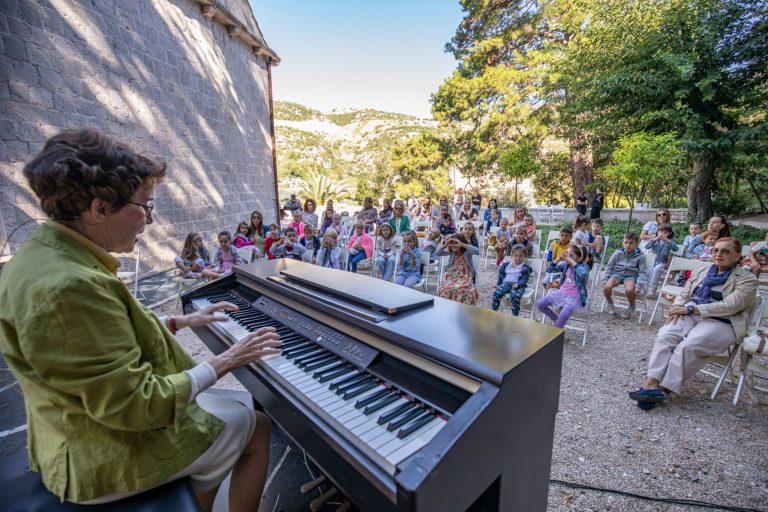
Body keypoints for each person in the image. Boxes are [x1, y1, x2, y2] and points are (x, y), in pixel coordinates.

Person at [0, 129, 281, 510]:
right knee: (256, 427)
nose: (149, 220)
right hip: (97, 453)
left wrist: (181, 322)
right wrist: (224, 360)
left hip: (76, 423)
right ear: (99, 209)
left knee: (223, 410)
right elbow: (139, 405)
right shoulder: (68, 286)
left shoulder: (43, 254)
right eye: (146, 206)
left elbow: (98, 341)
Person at [628, 238, 758, 409]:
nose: (718, 254)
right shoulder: (702, 270)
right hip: (690, 311)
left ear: (737, 256)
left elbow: (731, 306)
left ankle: (663, 389)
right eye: (715, 250)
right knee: (666, 334)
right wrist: (677, 306)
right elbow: (685, 293)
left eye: (725, 251)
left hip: (724, 321)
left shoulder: (747, 279)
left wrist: (691, 310)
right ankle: (650, 384)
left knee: (689, 345)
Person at [537, 244, 590, 328]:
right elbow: (549, 269)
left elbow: (583, 274)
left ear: (579, 258)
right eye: (567, 254)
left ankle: (557, 330)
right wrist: (558, 259)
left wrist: (571, 261)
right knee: (540, 304)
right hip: (561, 293)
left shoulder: (584, 266)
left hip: (574, 297)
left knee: (564, 314)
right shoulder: (565, 265)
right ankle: (556, 320)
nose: (567, 257)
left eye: (571, 255)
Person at [602, 232, 649, 319]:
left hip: (631, 276)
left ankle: (631, 306)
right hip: (617, 274)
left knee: (629, 289)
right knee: (607, 286)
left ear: (636, 244)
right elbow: (609, 266)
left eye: (631, 243)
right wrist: (605, 279)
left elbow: (643, 272)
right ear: (623, 242)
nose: (628, 245)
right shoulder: (618, 253)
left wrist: (638, 285)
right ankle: (610, 303)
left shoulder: (641, 256)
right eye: (626, 242)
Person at [435, 234, 480, 305]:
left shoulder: (467, 252)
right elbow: (437, 253)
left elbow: (476, 251)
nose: (454, 245)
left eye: (456, 243)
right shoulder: (451, 252)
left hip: (464, 274)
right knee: (446, 288)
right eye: (452, 243)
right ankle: (448, 306)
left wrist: (462, 244)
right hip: (451, 274)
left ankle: (461, 306)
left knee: (463, 289)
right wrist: (446, 245)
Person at [492, 244, 532, 314]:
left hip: (518, 285)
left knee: (515, 296)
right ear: (511, 255)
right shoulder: (506, 265)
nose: (518, 258)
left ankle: (514, 315)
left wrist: (519, 284)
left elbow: (525, 278)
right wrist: (499, 284)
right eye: (516, 255)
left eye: (521, 256)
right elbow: (501, 275)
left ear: (524, 256)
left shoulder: (525, 268)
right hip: (506, 283)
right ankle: (494, 311)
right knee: (497, 293)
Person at [646, 224, 678, 296]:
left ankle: (652, 287)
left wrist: (668, 241)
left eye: (665, 232)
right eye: (661, 231)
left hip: (662, 262)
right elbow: (647, 246)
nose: (662, 234)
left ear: (669, 233)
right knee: (648, 268)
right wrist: (655, 239)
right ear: (657, 232)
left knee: (657, 268)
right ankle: (642, 284)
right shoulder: (654, 240)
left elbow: (676, 249)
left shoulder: (669, 242)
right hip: (653, 261)